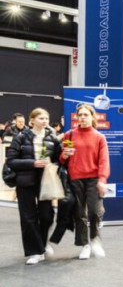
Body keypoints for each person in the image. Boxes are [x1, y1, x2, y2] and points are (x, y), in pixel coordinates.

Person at [6, 108, 62, 265]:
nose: (44, 121)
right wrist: (33, 163)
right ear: (32, 120)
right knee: (28, 217)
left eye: (46, 118)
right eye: (41, 118)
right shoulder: (21, 137)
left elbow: (58, 159)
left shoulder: (52, 138)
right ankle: (35, 251)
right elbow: (11, 161)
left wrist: (57, 163)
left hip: (46, 181)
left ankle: (42, 244)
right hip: (25, 181)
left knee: (47, 216)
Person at [58, 104, 110, 260]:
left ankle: (95, 239)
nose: (82, 117)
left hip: (94, 179)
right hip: (75, 178)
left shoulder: (99, 137)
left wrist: (102, 179)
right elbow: (63, 159)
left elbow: (104, 161)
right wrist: (64, 155)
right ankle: (84, 245)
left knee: (94, 211)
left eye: (85, 115)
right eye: (79, 115)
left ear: (92, 117)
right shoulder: (69, 135)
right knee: (79, 213)